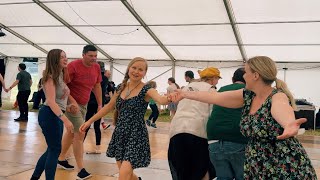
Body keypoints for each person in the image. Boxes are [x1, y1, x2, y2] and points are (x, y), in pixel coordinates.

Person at [172, 56, 317, 179]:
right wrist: (185, 94)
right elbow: (214, 97)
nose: (244, 76)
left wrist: (289, 123)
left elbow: (281, 108)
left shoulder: (277, 95)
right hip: (257, 163)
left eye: (246, 72)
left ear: (255, 75)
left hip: (281, 163)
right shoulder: (247, 96)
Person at [79, 57, 172, 180]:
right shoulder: (121, 87)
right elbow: (108, 107)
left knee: (123, 174)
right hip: (120, 133)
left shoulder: (147, 90)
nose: (136, 71)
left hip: (136, 135)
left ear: (144, 73)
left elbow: (161, 99)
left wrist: (171, 97)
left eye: (141, 69)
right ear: (129, 69)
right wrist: (89, 121)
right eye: (134, 68)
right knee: (126, 173)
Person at [57, 45, 102, 180]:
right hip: (71, 105)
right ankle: (81, 169)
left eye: (95, 56)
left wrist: (100, 104)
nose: (93, 59)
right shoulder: (73, 66)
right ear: (83, 55)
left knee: (71, 133)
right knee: (80, 133)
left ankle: (61, 158)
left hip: (84, 104)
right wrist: (71, 102)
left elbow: (97, 85)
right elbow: (62, 85)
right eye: (90, 56)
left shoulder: (96, 67)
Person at [168, 67, 220, 180]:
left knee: (183, 171)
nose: (218, 81)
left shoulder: (187, 87)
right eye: (217, 79)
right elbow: (213, 115)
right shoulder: (211, 90)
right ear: (213, 78)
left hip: (176, 131)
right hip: (197, 132)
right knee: (202, 170)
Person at [30, 49, 75, 180]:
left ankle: (34, 177)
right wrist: (66, 119)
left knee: (52, 148)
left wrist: (67, 107)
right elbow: (49, 101)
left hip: (55, 114)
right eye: (62, 57)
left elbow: (56, 101)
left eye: (66, 57)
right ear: (54, 59)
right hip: (49, 115)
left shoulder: (60, 75)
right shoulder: (50, 76)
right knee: (55, 149)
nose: (65, 59)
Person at [207, 68, 248, 180]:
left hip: (213, 140)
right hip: (238, 138)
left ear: (232, 79)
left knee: (223, 177)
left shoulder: (221, 89)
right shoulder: (248, 91)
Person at [83, 61, 108, 154]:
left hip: (92, 102)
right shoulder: (105, 78)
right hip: (99, 103)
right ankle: (98, 147)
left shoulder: (93, 77)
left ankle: (80, 143)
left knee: (87, 123)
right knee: (97, 126)